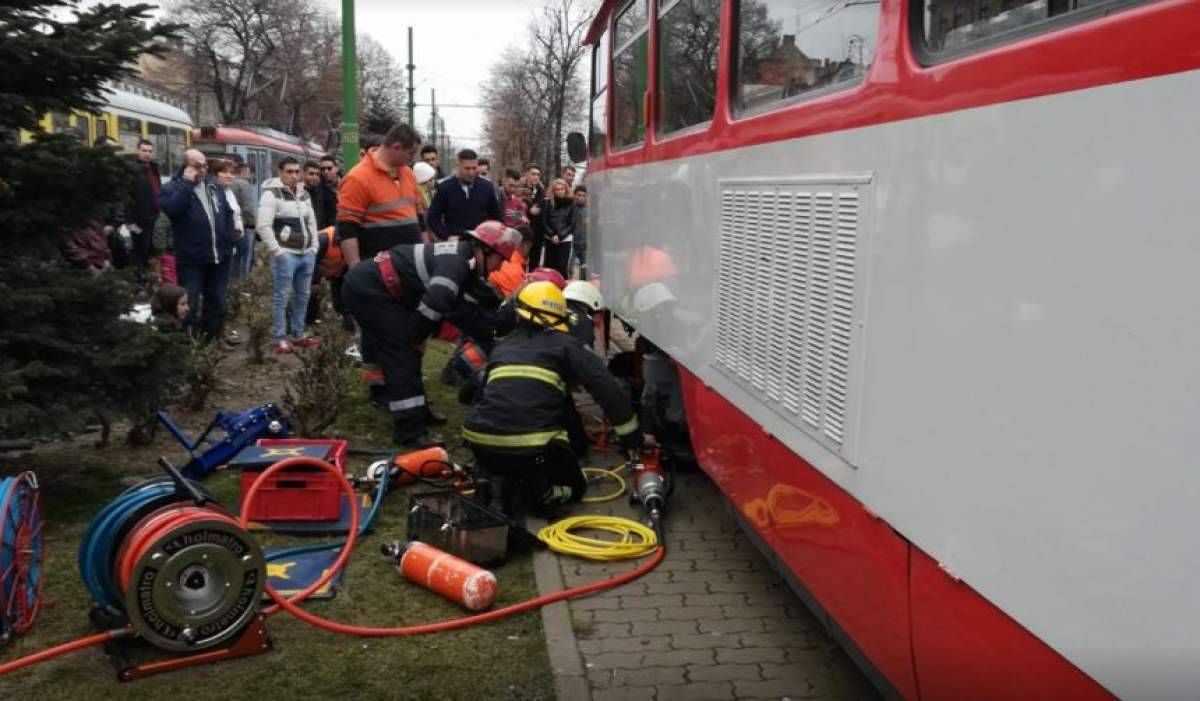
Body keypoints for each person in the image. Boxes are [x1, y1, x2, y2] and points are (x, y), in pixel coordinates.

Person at [463, 281, 643, 519]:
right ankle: (533, 493)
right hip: (531, 447)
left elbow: (474, 392)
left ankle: (496, 478)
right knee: (575, 489)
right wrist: (633, 439)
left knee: (507, 459)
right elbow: (608, 391)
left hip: (479, 441)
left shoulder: (503, 347)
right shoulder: (568, 346)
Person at [340, 221, 522, 449]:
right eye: (500, 260)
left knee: (405, 351)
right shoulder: (456, 263)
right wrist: (415, 337)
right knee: (402, 354)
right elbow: (435, 303)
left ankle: (407, 405)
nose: (498, 268)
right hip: (369, 289)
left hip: (376, 282)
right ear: (484, 249)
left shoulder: (463, 258)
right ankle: (409, 431)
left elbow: (474, 301)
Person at [160, 149, 238, 342]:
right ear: (185, 166)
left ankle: (210, 344)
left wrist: (228, 240)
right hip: (191, 260)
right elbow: (172, 209)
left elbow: (227, 213)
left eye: (204, 165)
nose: (202, 170)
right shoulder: (173, 187)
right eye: (197, 165)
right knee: (190, 305)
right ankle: (189, 345)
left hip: (219, 257)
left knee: (217, 303)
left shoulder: (213, 186)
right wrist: (187, 184)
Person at [337, 123, 424, 267]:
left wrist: (424, 255)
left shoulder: (408, 173)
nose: (413, 158)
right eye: (411, 153)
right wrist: (356, 270)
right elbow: (347, 229)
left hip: (409, 263)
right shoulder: (357, 178)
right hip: (378, 264)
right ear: (396, 147)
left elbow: (419, 219)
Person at [257, 157, 320, 353]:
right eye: (289, 172)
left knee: (303, 295)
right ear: (280, 172)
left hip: (306, 252)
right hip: (287, 254)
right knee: (281, 296)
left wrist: (314, 247)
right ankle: (280, 336)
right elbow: (263, 226)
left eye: (296, 171)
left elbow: (312, 222)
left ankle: (298, 334)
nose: (294, 175)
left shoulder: (304, 194)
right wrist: (278, 251)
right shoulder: (271, 194)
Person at [425, 149, 502, 242]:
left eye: (474, 168)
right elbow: (432, 217)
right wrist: (446, 236)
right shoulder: (445, 188)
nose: (471, 173)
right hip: (455, 243)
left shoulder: (487, 187)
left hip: (481, 243)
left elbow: (497, 217)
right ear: (458, 167)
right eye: (467, 168)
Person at [125, 138, 161, 283]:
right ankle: (139, 281)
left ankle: (150, 279)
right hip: (138, 220)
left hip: (155, 217)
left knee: (153, 250)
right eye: (144, 150)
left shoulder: (154, 168)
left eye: (150, 151)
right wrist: (129, 221)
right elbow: (126, 195)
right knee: (140, 250)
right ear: (138, 151)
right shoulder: (132, 169)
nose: (147, 154)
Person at [539, 178, 579, 276]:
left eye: (562, 189)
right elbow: (543, 222)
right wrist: (552, 235)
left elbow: (572, 223)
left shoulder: (572, 203)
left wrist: (560, 236)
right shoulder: (547, 203)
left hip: (565, 239)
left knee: (561, 267)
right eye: (557, 189)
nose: (560, 191)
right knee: (549, 267)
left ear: (566, 189)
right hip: (550, 238)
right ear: (553, 191)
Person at [228, 156, 258, 280]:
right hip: (245, 227)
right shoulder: (244, 185)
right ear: (245, 171)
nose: (250, 176)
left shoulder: (228, 183)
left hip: (230, 226)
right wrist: (255, 225)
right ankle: (241, 285)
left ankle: (231, 283)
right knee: (244, 259)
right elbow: (248, 208)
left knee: (233, 259)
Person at [523, 164, 547, 271]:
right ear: (527, 174)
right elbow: (511, 212)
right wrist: (529, 212)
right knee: (521, 262)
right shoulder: (519, 190)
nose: (536, 177)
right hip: (523, 233)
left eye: (538, 175)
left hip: (538, 234)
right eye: (533, 174)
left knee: (534, 264)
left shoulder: (542, 191)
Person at [304, 160, 336, 230]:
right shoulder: (299, 194)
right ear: (303, 174)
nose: (315, 177)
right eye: (311, 174)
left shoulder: (322, 194)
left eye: (317, 174)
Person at [573, 184, 588, 277]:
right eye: (579, 195)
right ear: (575, 195)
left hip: (585, 245)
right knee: (569, 269)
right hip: (572, 244)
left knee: (585, 270)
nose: (581, 198)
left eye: (584, 195)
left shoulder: (590, 210)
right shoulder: (570, 208)